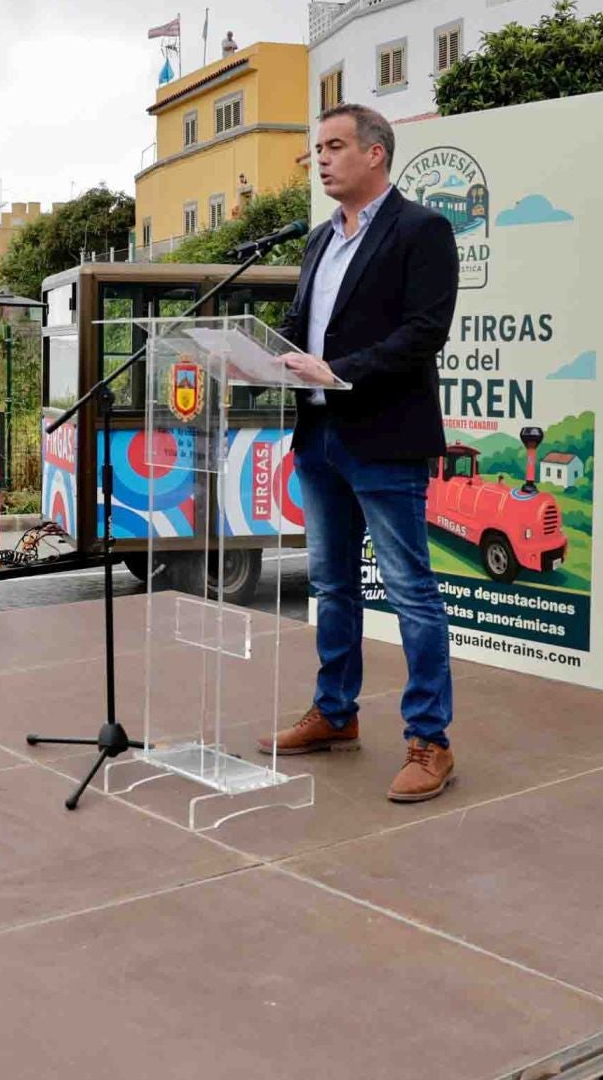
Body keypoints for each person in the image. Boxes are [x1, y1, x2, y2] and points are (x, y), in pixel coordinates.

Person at [261, 103, 460, 802]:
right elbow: (298, 328)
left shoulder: (422, 230)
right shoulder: (318, 240)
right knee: (331, 587)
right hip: (318, 438)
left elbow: (423, 333)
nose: (321, 159)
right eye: (318, 148)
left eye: (335, 146)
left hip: (383, 436)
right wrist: (263, 359)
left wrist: (340, 369)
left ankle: (430, 740)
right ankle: (334, 714)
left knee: (410, 591)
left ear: (375, 154)